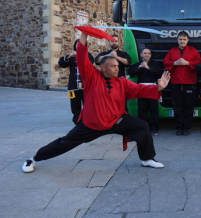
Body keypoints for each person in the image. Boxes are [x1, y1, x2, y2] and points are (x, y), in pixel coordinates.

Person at [22, 31, 171, 173]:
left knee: (142, 126)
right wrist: (84, 34)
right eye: (113, 66)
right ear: (103, 67)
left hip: (116, 120)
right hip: (92, 124)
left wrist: (158, 86)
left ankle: (147, 158)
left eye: (117, 67)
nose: (116, 69)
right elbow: (82, 58)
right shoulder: (92, 77)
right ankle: (34, 158)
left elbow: (139, 89)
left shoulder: (122, 82)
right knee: (65, 143)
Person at [163, 31, 201, 136]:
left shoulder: (193, 50)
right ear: (177, 40)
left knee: (189, 106)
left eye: (184, 39)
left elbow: (199, 63)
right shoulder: (172, 51)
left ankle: (187, 127)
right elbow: (165, 62)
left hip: (190, 82)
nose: (182, 41)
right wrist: (174, 63)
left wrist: (188, 63)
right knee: (177, 105)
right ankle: (179, 127)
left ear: (188, 40)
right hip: (175, 82)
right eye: (180, 39)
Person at [58, 39, 94, 124]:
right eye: (78, 44)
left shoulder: (88, 55)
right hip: (74, 86)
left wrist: (81, 55)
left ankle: (87, 121)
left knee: (88, 105)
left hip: (86, 86)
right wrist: (69, 56)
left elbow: (90, 62)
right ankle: (77, 122)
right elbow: (61, 63)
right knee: (75, 106)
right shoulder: (71, 56)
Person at [128, 48, 163, 135]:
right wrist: (139, 67)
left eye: (148, 53)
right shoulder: (138, 64)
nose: (147, 55)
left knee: (153, 110)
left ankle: (154, 129)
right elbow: (130, 72)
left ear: (150, 55)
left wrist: (148, 68)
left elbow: (160, 72)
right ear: (141, 55)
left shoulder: (155, 64)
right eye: (145, 53)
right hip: (142, 89)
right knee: (142, 110)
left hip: (152, 88)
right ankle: (143, 129)